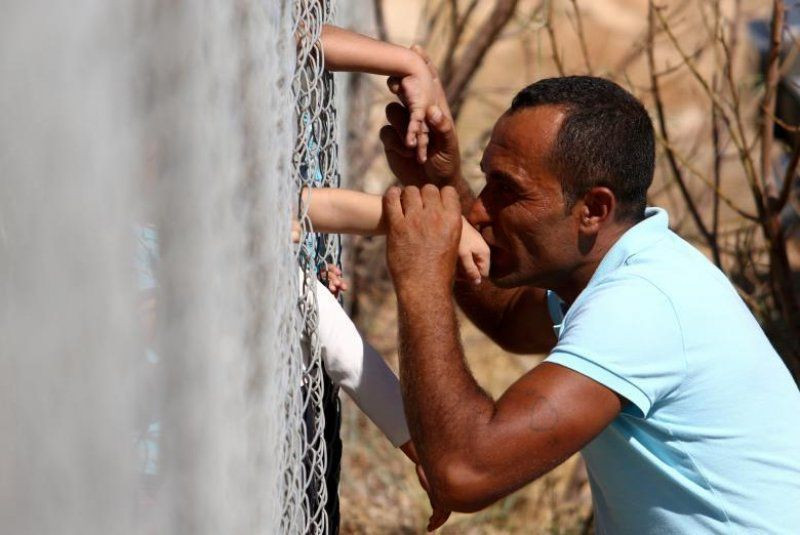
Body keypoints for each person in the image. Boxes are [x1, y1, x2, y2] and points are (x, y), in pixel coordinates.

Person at [379, 71, 800, 533]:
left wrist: (422, 279)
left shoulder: (642, 305)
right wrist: (436, 182)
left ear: (594, 210)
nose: (478, 210)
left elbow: (464, 473)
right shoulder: (628, 266)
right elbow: (510, 317)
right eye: (486, 183)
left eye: (509, 190)